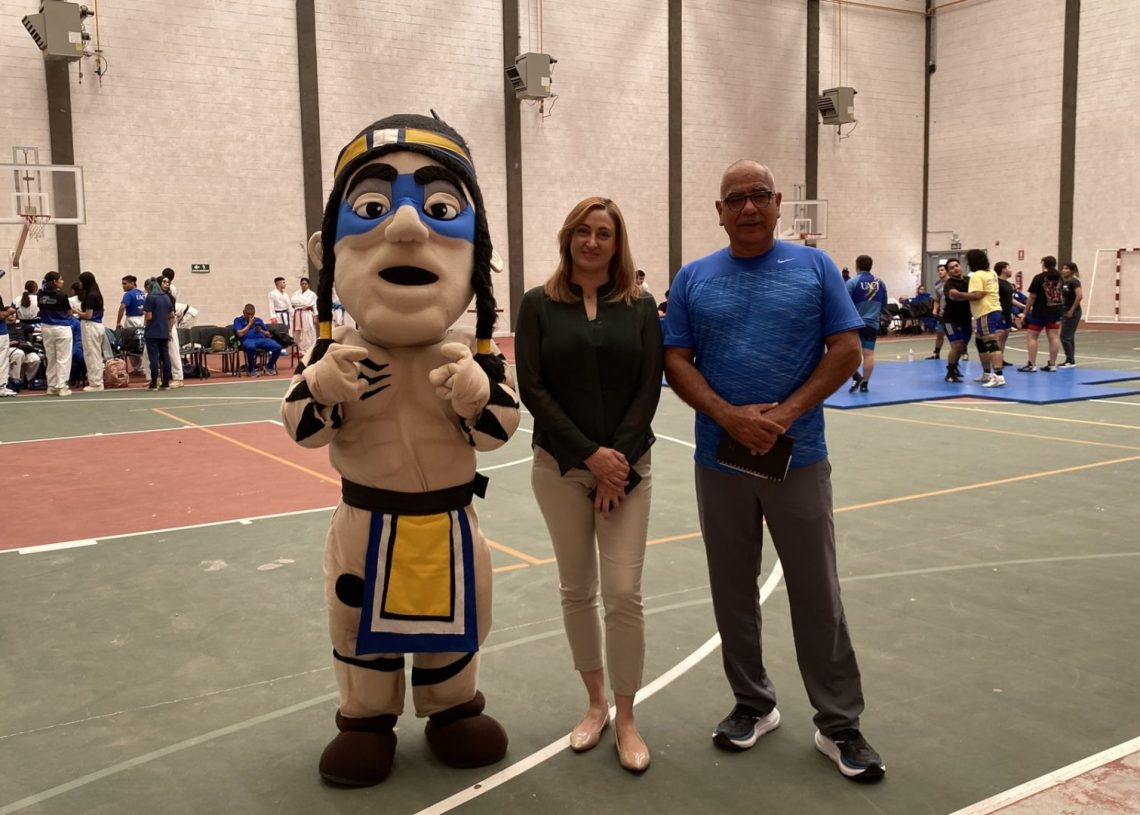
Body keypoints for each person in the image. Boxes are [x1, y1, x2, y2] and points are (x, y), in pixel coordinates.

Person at [280, 113, 520, 786]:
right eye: (373, 208)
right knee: (357, 628)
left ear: (478, 254)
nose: (409, 226)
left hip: (448, 523)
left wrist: (477, 395)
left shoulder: (471, 355)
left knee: (458, 627)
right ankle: (366, 718)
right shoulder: (337, 353)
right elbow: (301, 428)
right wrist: (321, 387)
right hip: (366, 522)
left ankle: (452, 707)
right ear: (328, 251)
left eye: (440, 209)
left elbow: (500, 431)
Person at [662, 160, 884, 780]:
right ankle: (753, 704)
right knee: (732, 590)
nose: (749, 207)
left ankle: (839, 724)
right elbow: (675, 359)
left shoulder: (815, 267)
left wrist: (782, 416)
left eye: (759, 195)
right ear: (719, 211)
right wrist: (728, 416)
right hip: (720, 460)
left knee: (818, 592)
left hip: (799, 458)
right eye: (736, 198)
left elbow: (846, 349)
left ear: (779, 201)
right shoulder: (694, 277)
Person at [515, 197, 662, 773]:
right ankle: (595, 704)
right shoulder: (538, 305)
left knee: (623, 593)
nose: (592, 242)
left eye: (603, 233)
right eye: (583, 231)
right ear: (568, 238)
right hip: (559, 467)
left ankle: (626, 717)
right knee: (577, 590)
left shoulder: (641, 306)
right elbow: (534, 387)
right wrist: (588, 456)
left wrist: (614, 463)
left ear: (617, 242)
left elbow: (648, 386)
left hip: (628, 471)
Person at [951, 249, 1005, 387]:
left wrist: (958, 294)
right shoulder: (991, 272)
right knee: (980, 342)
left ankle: (998, 376)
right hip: (991, 310)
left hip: (986, 311)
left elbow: (977, 295)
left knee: (991, 342)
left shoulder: (977, 275)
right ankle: (986, 373)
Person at [845, 254, 887, 393]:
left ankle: (856, 376)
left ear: (856, 266)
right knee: (868, 355)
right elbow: (884, 304)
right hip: (872, 324)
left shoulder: (852, 282)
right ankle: (865, 384)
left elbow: (845, 302)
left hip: (855, 323)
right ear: (870, 266)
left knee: (848, 354)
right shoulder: (880, 283)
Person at [1019, 256, 1064, 372]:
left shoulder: (1039, 278)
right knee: (1054, 337)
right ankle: (1052, 364)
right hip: (1055, 311)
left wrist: (1025, 312)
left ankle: (1032, 364)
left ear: (1043, 264)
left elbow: (1032, 297)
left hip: (1040, 312)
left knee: (1032, 336)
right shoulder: (1060, 278)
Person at [37, 271, 74, 397]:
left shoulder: (40, 294)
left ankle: (51, 386)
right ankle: (62, 386)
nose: (62, 281)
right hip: (61, 327)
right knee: (63, 358)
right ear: (55, 281)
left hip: (46, 328)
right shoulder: (62, 295)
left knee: (51, 357)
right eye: (60, 279)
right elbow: (69, 312)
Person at [939, 259, 971, 382]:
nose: (955, 269)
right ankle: (950, 373)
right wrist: (973, 296)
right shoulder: (949, 284)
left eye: (956, 266)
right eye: (951, 268)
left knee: (962, 346)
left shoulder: (969, 280)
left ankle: (954, 366)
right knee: (956, 345)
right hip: (950, 320)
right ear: (948, 272)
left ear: (960, 266)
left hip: (966, 319)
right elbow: (954, 295)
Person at [75, 271, 106, 392]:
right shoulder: (97, 293)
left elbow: (88, 315)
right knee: (96, 354)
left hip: (90, 325)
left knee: (91, 355)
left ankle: (96, 383)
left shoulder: (90, 295)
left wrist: (76, 311)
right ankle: (97, 381)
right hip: (98, 325)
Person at [144, 276, 175, 390]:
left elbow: (149, 316)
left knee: (153, 358)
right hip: (164, 331)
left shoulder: (150, 298)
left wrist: (144, 313)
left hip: (152, 331)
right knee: (165, 357)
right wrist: (169, 330)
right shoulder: (166, 297)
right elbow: (172, 316)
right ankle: (166, 381)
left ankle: (154, 382)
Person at [233, 304, 282, 376]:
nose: (250, 316)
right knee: (251, 347)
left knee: (278, 347)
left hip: (261, 340)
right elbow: (240, 334)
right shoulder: (238, 320)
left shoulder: (259, 320)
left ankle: (269, 366)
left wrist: (261, 330)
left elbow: (268, 334)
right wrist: (249, 324)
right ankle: (251, 369)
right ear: (244, 312)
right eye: (248, 314)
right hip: (248, 340)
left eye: (252, 314)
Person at [159, 268, 185, 388]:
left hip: (168, 325)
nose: (166, 284)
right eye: (164, 282)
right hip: (157, 326)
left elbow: (172, 315)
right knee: (149, 353)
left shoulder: (169, 297)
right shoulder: (154, 297)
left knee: (173, 351)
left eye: (167, 282)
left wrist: (169, 330)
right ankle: (154, 378)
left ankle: (178, 378)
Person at [1059, 262, 1082, 367]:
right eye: (1063, 268)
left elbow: (1079, 296)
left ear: (1072, 271)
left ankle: (1070, 360)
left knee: (1064, 336)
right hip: (1064, 310)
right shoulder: (1063, 282)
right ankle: (1070, 359)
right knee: (1069, 336)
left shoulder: (1074, 282)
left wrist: (1072, 309)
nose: (1064, 270)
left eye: (1066, 268)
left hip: (1073, 311)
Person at [290, 276, 318, 357]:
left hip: (307, 314)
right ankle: (300, 349)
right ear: (300, 285)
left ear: (308, 285)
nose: (304, 285)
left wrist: (315, 315)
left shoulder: (312, 294)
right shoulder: (296, 293)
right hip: (297, 314)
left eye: (305, 284)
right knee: (297, 332)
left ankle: (308, 349)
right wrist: (301, 303)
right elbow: (292, 302)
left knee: (307, 331)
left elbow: (308, 304)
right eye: (302, 284)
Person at [994, 262, 1016, 358]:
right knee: (999, 338)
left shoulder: (1008, 284)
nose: (1011, 270)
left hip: (1007, 313)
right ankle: (995, 360)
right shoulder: (996, 283)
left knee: (1004, 338)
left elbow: (1010, 299)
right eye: (1009, 268)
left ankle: (1000, 359)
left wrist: (1024, 307)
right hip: (1000, 314)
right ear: (1003, 270)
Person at [925, 263, 947, 359]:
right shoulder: (938, 285)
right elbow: (937, 300)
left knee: (954, 335)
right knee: (940, 334)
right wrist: (934, 309)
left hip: (952, 315)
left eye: (942, 270)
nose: (940, 272)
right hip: (942, 315)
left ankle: (963, 353)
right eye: (938, 271)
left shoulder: (952, 283)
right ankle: (936, 353)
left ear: (947, 271)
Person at [0, 295, 19, 397]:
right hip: (1, 333)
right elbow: (1, 315)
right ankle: (1, 387)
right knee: (2, 361)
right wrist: (10, 312)